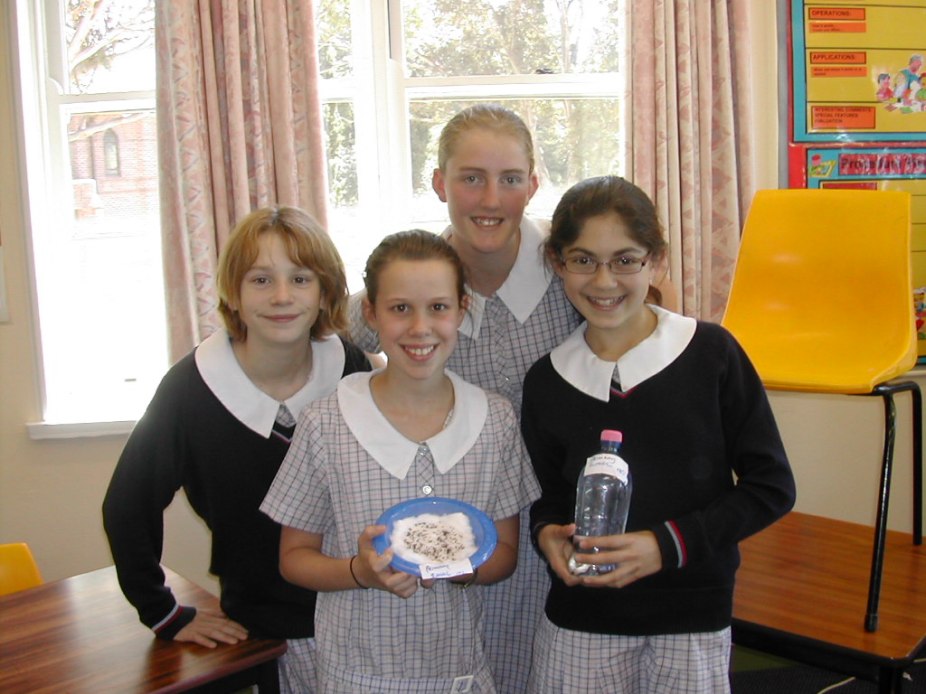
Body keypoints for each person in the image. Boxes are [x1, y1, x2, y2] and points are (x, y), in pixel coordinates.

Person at [520, 175, 796, 693]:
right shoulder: (547, 380)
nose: (604, 281)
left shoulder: (711, 354)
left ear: (657, 261)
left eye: (625, 259)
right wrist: (547, 536)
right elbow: (550, 501)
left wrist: (665, 546)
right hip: (584, 616)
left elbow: (772, 487)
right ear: (558, 263)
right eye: (583, 260)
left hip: (690, 614)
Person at [102, 206, 371, 693]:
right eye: (261, 280)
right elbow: (128, 504)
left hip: (363, 609)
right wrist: (161, 610)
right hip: (262, 625)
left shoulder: (351, 368)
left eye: (301, 278)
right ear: (234, 292)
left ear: (326, 290)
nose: (283, 296)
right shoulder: (191, 389)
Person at [261, 229, 540, 693]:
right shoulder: (327, 423)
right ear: (371, 312)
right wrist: (359, 572)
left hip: (459, 674)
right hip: (356, 674)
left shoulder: (495, 420)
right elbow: (294, 559)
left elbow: (503, 555)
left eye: (438, 307)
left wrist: (459, 564)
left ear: (461, 310)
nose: (419, 328)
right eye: (399, 309)